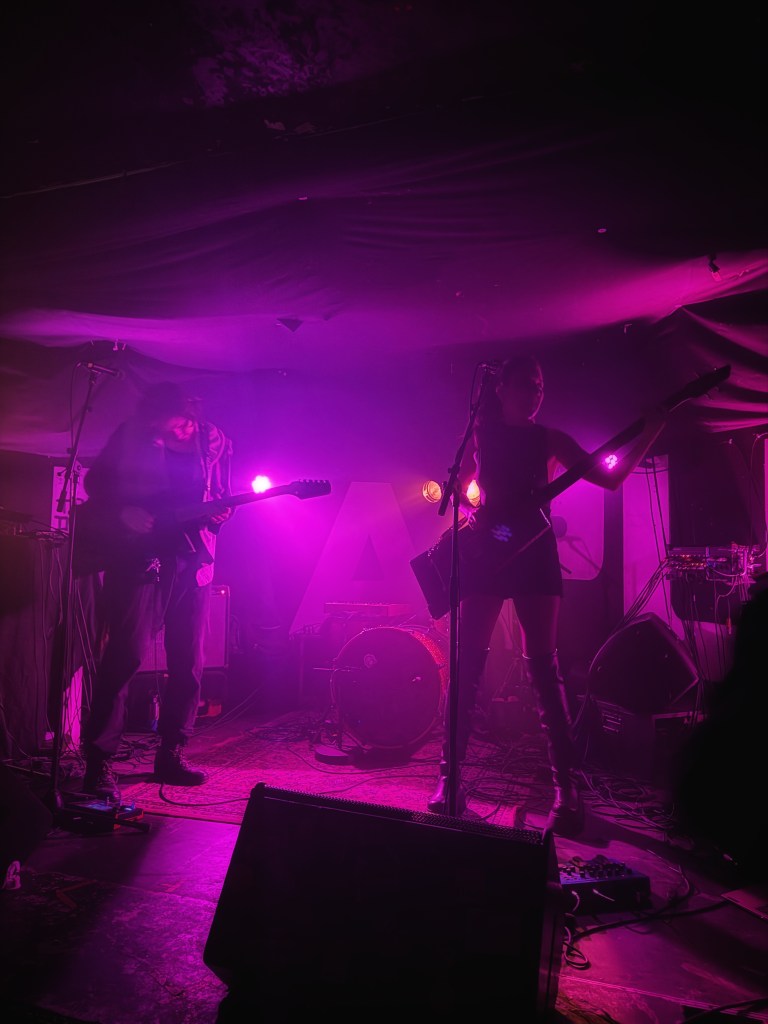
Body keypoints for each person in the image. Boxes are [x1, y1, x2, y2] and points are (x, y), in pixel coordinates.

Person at [427, 355, 667, 836]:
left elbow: (610, 478)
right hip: (489, 553)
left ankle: (567, 790)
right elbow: (462, 488)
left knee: (543, 669)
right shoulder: (481, 434)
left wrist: (654, 428)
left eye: (539, 387)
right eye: (525, 385)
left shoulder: (551, 440)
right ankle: (449, 780)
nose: (534, 394)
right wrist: (471, 511)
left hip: (534, 552)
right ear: (501, 388)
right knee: (467, 665)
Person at [76, 382, 234, 803]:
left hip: (193, 560)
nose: (177, 434)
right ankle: (98, 762)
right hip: (138, 557)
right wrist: (123, 511)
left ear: (192, 414)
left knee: (189, 662)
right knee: (124, 657)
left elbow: (221, 496)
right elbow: (96, 484)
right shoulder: (130, 436)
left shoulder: (215, 441)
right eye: (166, 429)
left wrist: (221, 513)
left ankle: (172, 752)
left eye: (182, 426)